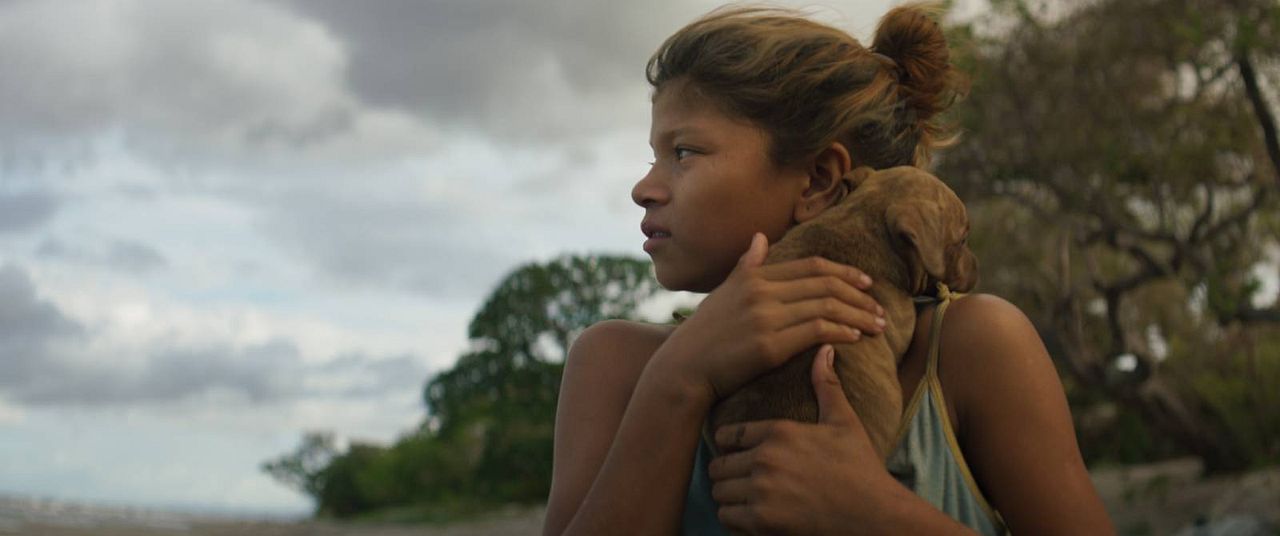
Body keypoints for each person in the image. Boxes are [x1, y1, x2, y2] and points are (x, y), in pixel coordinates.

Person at [543, 3, 1115, 535]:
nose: (644, 188)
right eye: (653, 157)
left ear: (818, 180)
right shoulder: (617, 369)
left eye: (683, 153)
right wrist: (678, 381)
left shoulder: (970, 350)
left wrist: (880, 515)